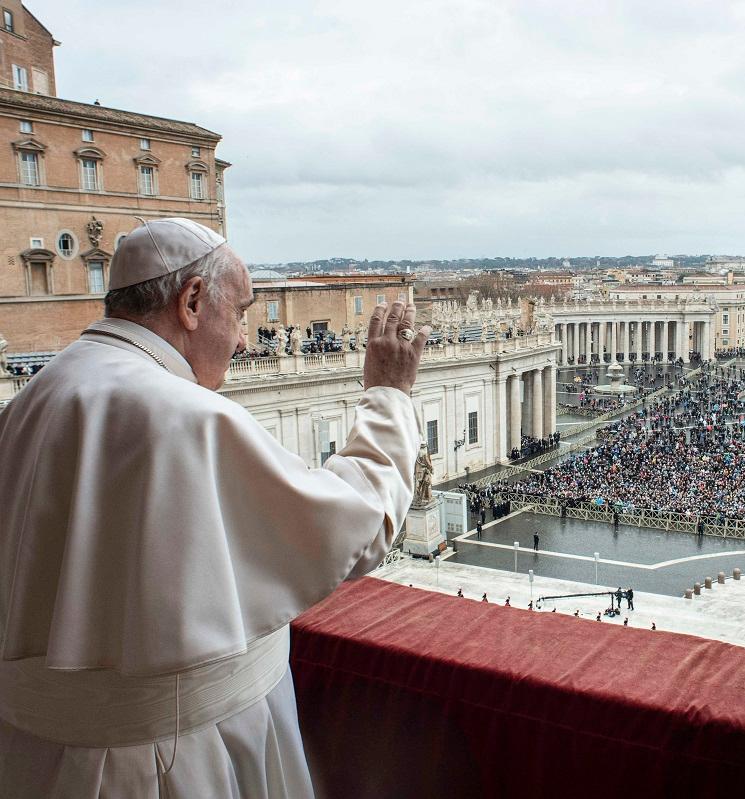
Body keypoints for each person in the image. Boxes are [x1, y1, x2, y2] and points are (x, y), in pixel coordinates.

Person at [0, 218, 431, 798]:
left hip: (31, 756)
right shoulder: (188, 416)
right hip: (175, 762)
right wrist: (390, 396)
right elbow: (356, 526)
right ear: (193, 301)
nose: (245, 339)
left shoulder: (35, 396)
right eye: (243, 312)